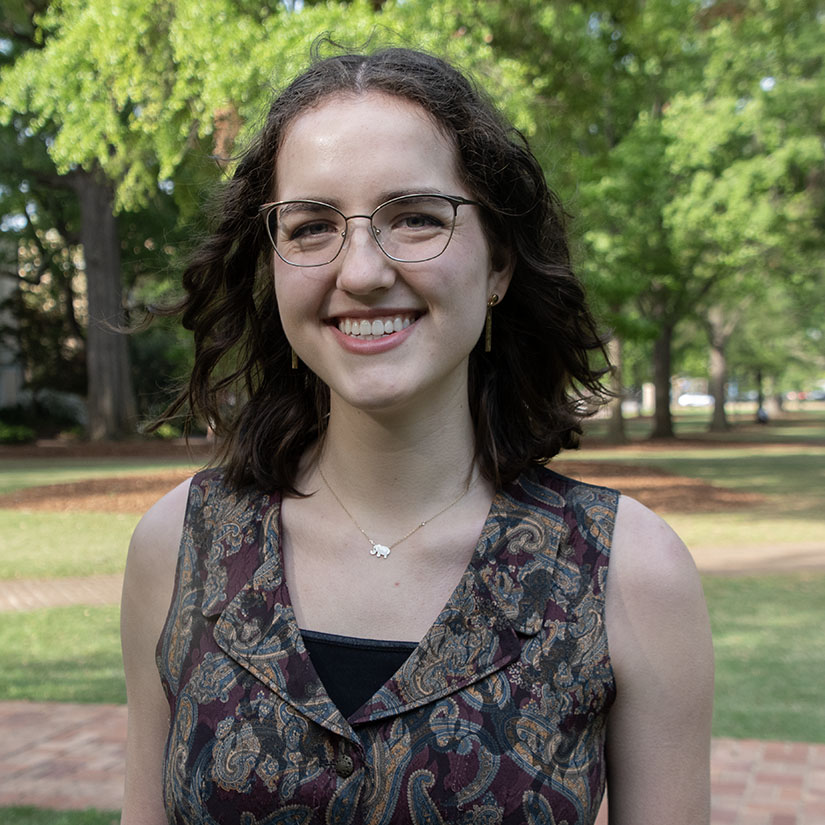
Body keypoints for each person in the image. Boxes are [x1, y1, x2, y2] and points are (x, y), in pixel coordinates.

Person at [120, 45, 713, 825]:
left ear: (498, 263)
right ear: (273, 263)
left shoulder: (628, 573)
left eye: (415, 218)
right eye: (311, 226)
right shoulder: (179, 546)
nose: (361, 269)